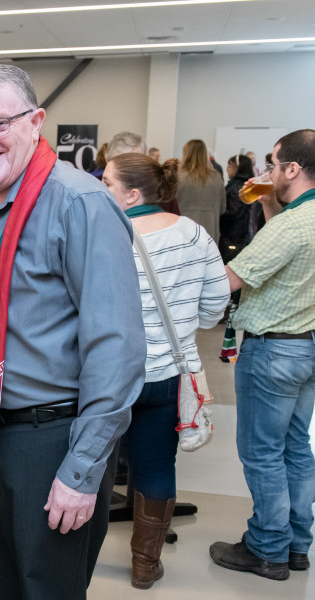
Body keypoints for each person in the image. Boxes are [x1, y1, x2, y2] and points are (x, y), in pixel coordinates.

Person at [0, 64, 146, 599]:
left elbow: (116, 350)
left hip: (52, 441)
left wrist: (82, 470)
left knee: (46, 590)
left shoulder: (81, 204)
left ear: (36, 122)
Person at [102, 152, 230, 589]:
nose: (100, 191)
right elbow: (215, 309)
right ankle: (144, 564)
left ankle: (76, 556)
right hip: (166, 376)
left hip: (108, 376)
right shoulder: (194, 235)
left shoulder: (106, 234)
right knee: (156, 466)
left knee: (93, 464)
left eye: (107, 184)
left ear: (132, 193)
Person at [210, 129, 315, 581]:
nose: (268, 172)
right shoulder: (301, 218)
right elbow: (283, 253)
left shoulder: (294, 225)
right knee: (296, 448)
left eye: (273, 165)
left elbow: (228, 281)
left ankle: (266, 548)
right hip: (306, 346)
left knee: (263, 453)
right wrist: (268, 202)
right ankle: (295, 544)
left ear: (292, 169)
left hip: (273, 350)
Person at [177, 139, 226, 243]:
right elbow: (223, 209)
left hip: (184, 232)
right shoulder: (216, 176)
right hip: (210, 232)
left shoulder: (178, 176)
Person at [221, 154, 256, 263]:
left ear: (236, 168)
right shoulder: (240, 185)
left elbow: (234, 212)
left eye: (229, 166)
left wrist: (219, 213)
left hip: (233, 236)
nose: (226, 169)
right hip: (236, 234)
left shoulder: (237, 187)